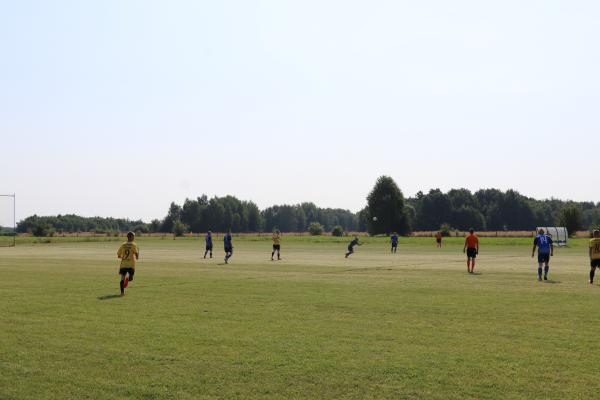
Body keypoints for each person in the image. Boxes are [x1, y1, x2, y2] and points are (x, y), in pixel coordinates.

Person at [117, 231, 139, 296]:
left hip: (123, 264)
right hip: (131, 265)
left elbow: (118, 255)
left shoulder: (123, 244)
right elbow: (136, 254)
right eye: (133, 236)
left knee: (122, 278)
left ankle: (122, 293)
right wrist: (137, 257)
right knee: (131, 278)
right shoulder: (133, 245)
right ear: (131, 237)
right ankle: (127, 280)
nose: (134, 238)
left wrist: (122, 257)